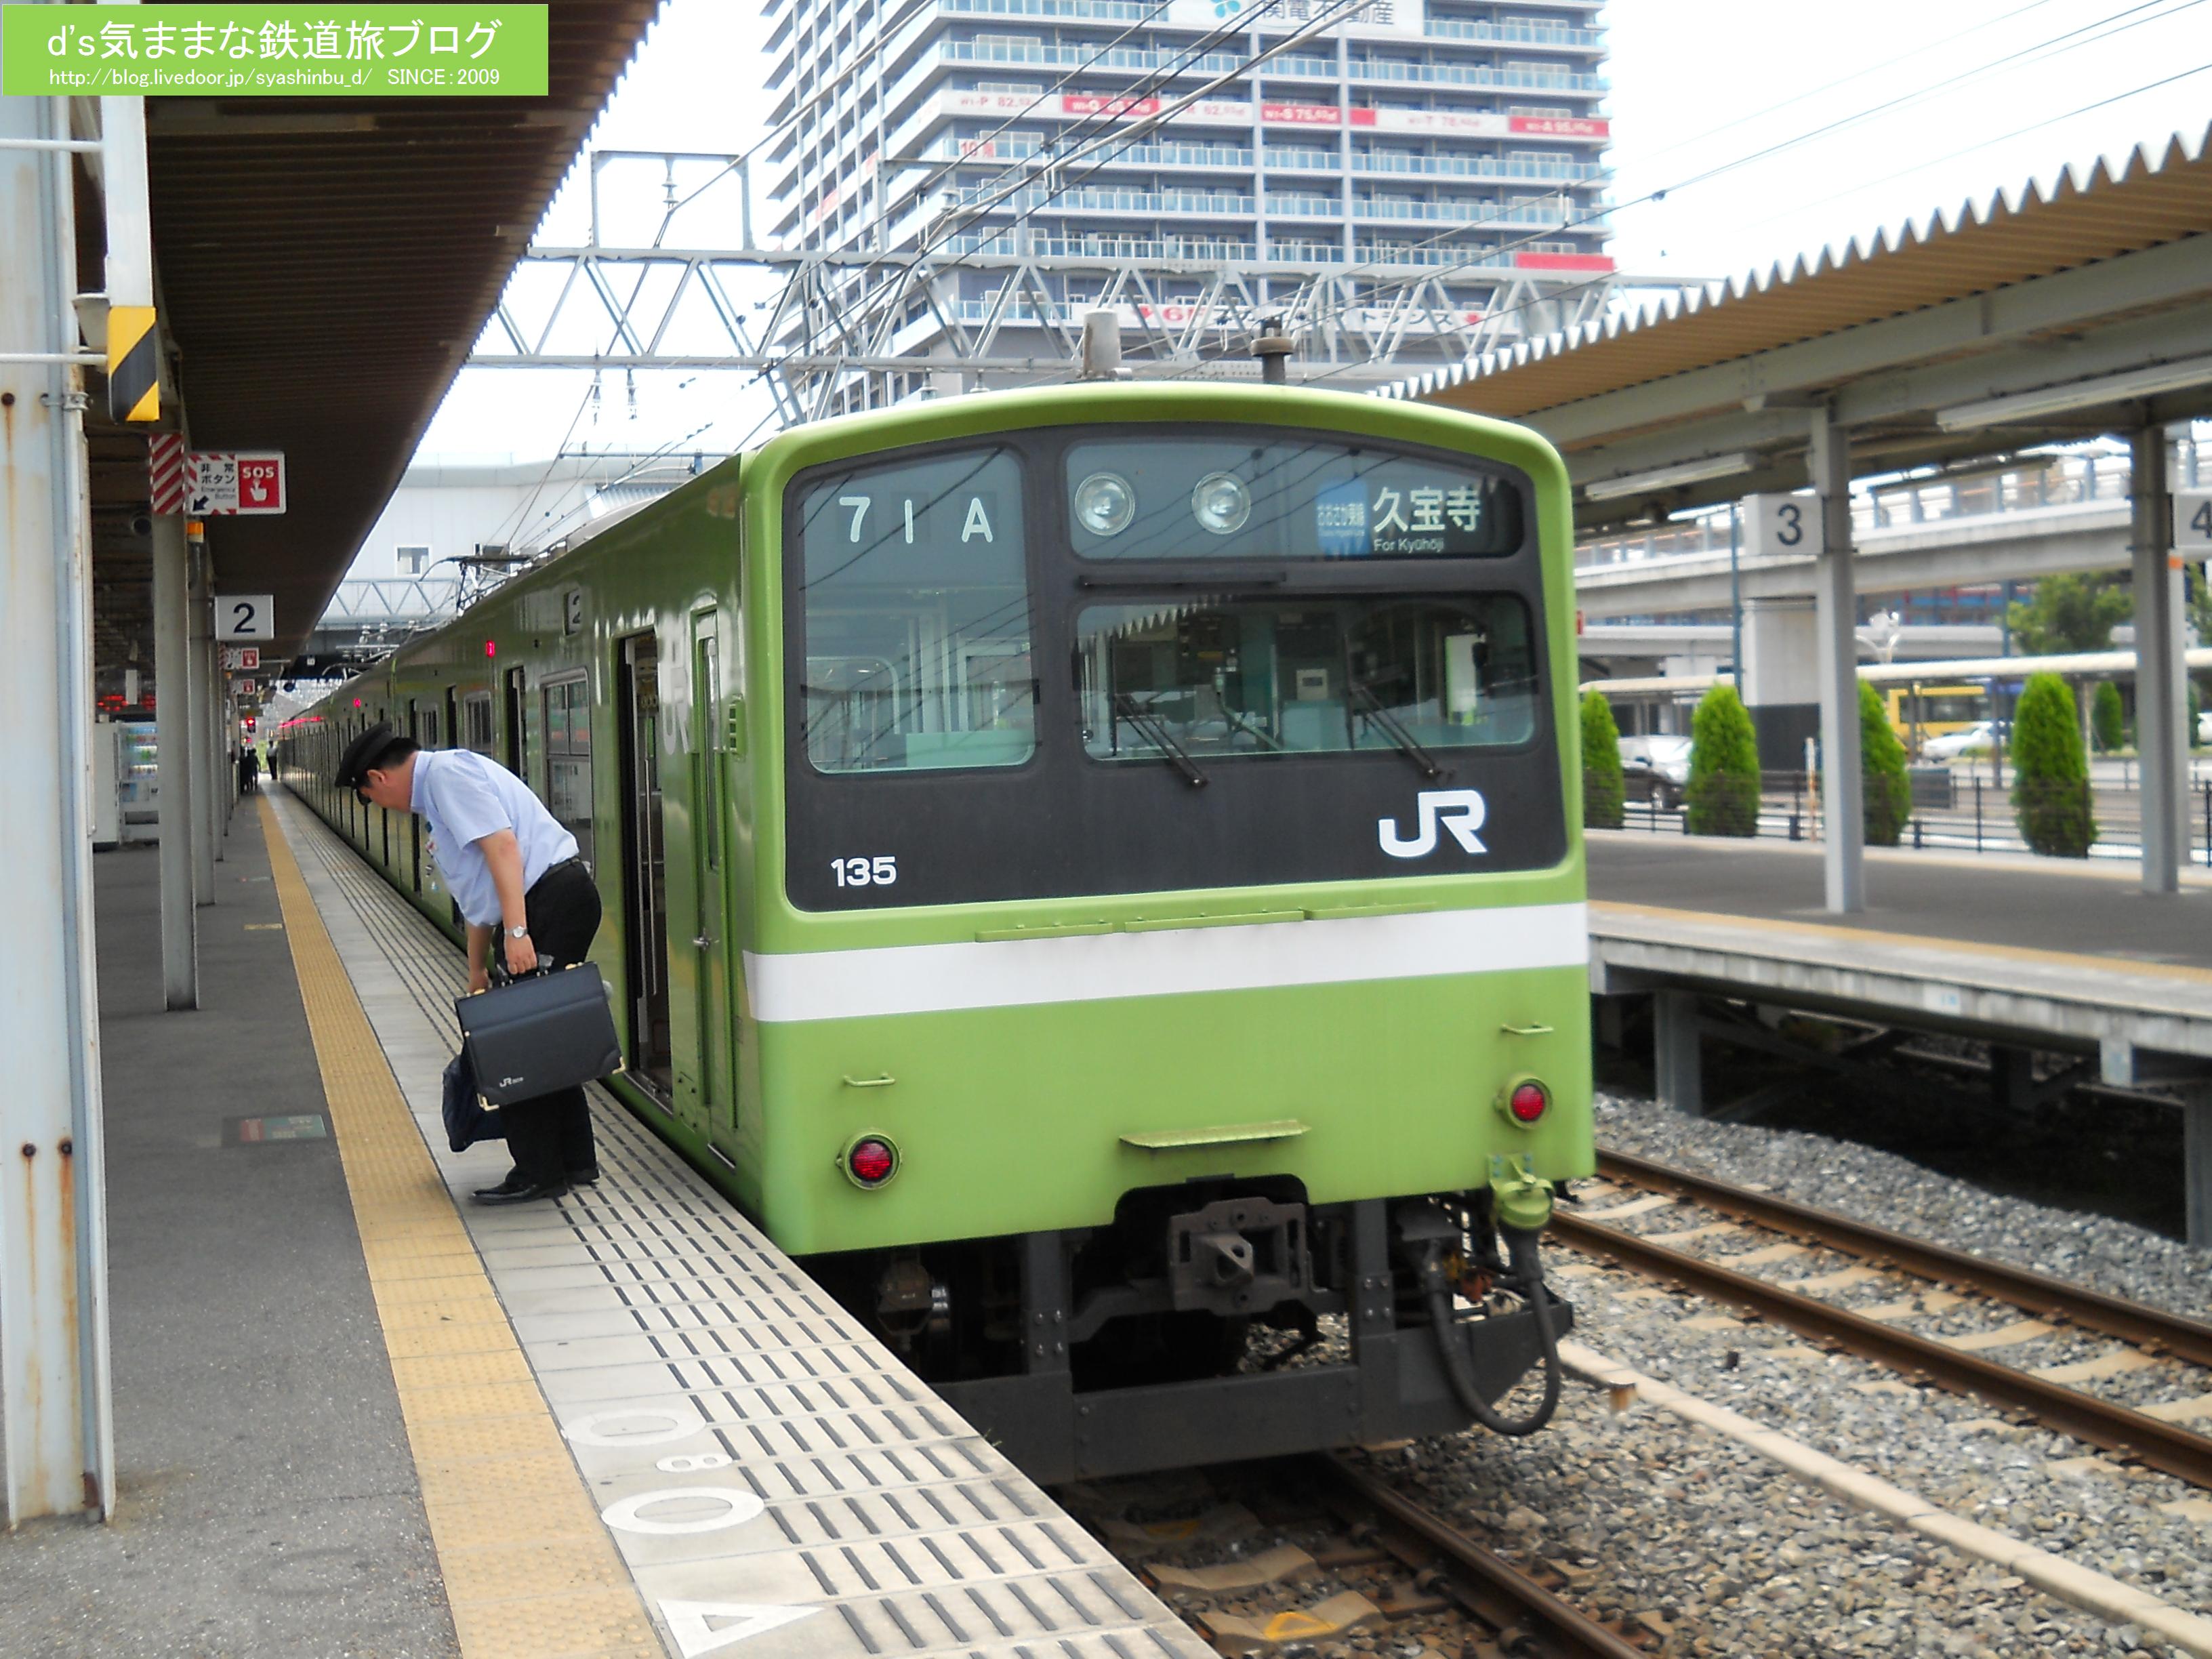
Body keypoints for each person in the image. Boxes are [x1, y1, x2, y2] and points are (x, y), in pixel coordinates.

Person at [332, 722, 600, 1204]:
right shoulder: (439, 794)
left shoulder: (446, 778)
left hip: (549, 902)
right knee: (542, 1034)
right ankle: (574, 1159)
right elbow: (479, 893)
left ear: (379, 778)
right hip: (540, 903)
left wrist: (518, 933)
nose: (380, 807)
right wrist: (477, 966)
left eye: (370, 795)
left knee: (517, 1041)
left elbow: (503, 849)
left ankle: (540, 1170)